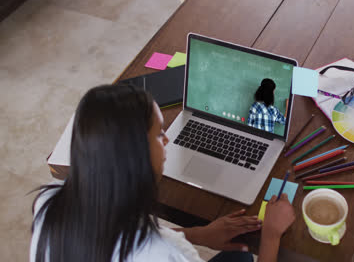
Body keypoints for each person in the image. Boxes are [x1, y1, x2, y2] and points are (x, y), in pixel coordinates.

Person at [30, 84, 295, 262]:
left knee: (238, 256)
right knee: (245, 255)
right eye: (159, 133)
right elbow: (154, 246)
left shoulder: (49, 202)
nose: (167, 140)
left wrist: (199, 234)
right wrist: (271, 235)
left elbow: (121, 238)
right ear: (136, 156)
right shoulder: (165, 254)